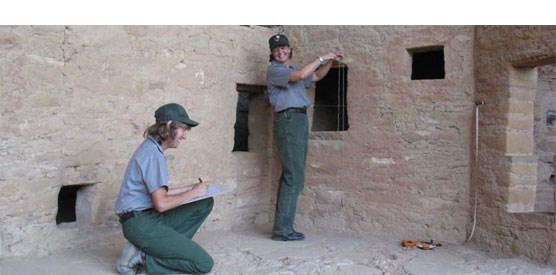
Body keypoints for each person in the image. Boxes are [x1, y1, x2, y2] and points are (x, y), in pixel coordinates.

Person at [114, 103, 214, 274]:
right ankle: (143, 257)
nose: (184, 136)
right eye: (183, 129)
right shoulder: (153, 154)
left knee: (204, 202)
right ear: (169, 126)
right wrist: (192, 192)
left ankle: (159, 248)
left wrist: (191, 189)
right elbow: (161, 203)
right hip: (139, 223)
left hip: (147, 217)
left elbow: (158, 194)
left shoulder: (152, 149)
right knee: (204, 264)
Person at [266, 34, 343, 241]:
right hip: (288, 119)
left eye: (284, 48)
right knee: (294, 177)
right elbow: (301, 76)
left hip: (298, 120)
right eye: (276, 49)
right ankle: (282, 230)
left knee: (293, 175)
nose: (281, 51)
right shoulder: (276, 71)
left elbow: (315, 77)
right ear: (272, 54)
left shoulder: (292, 69)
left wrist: (330, 61)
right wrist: (322, 56)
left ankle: (283, 227)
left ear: (290, 49)